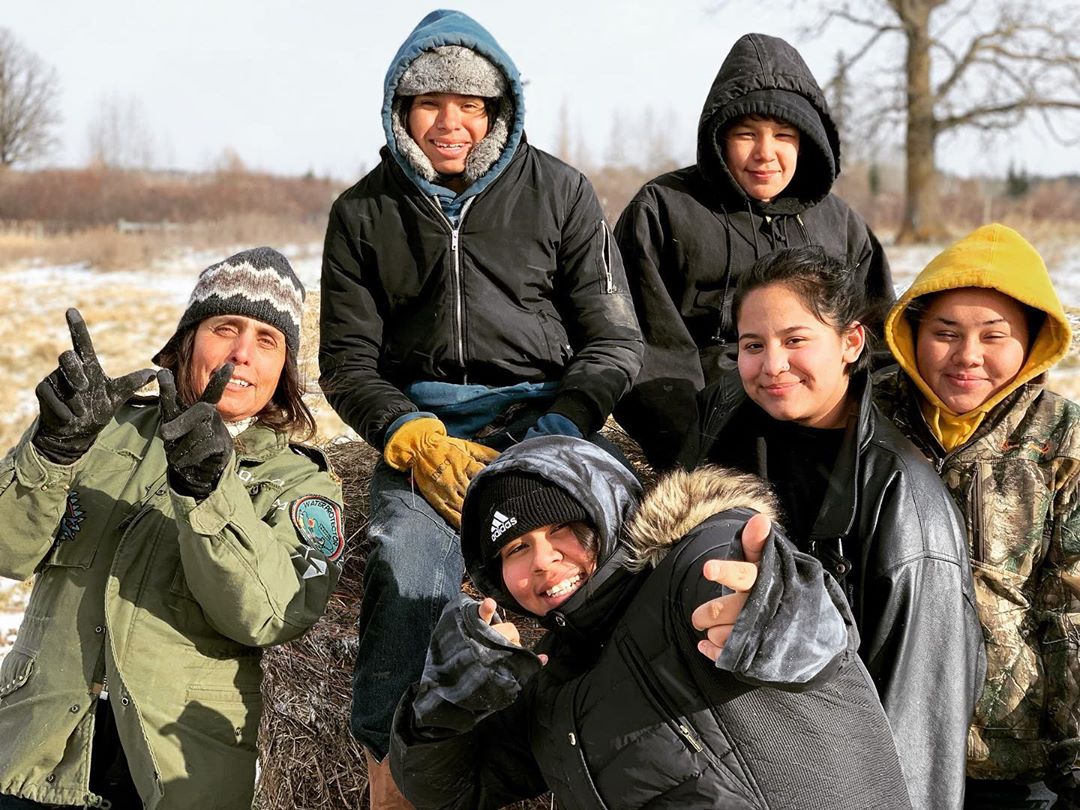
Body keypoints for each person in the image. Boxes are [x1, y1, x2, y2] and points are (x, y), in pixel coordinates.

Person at [317, 9, 642, 805]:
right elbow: (345, 361)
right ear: (401, 110)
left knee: (616, 570)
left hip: (546, 419)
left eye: (470, 104)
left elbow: (614, 341)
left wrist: (559, 431)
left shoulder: (561, 193)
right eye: (430, 103)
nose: (450, 122)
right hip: (424, 426)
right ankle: (390, 779)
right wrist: (412, 437)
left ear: (498, 111)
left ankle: (622, 752)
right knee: (405, 565)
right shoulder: (362, 213)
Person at [389, 436, 912, 809]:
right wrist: (445, 705)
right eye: (517, 548)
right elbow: (449, 792)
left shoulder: (696, 559)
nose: (544, 561)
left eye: (564, 529)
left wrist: (776, 611)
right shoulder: (555, 685)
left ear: (609, 511)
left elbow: (812, 635)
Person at [0, 247, 344, 810]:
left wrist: (209, 494)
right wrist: (51, 452)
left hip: (180, 769)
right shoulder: (100, 430)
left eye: (266, 340)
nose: (240, 354)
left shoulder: (301, 486)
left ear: (285, 366)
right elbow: (6, 550)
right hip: (30, 751)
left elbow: (269, 614)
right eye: (224, 328)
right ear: (187, 338)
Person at [680, 245, 984, 809]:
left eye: (796, 340)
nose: (772, 365)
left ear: (850, 343)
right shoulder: (721, 427)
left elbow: (918, 725)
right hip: (726, 761)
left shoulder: (905, 503)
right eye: (753, 345)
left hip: (824, 772)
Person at [613, 32, 893, 469]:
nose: (766, 153)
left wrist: (863, 433)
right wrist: (694, 451)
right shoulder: (665, 208)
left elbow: (876, 339)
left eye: (783, 134)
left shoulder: (839, 223)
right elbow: (651, 349)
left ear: (807, 142)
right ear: (719, 139)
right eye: (746, 134)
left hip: (824, 421)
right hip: (709, 424)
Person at [875, 223, 1079, 809]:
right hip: (884, 743)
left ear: (1033, 342)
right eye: (944, 333)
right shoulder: (867, 420)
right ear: (911, 333)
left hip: (1010, 757)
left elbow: (1072, 610)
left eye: (994, 336)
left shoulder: (1062, 438)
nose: (968, 357)